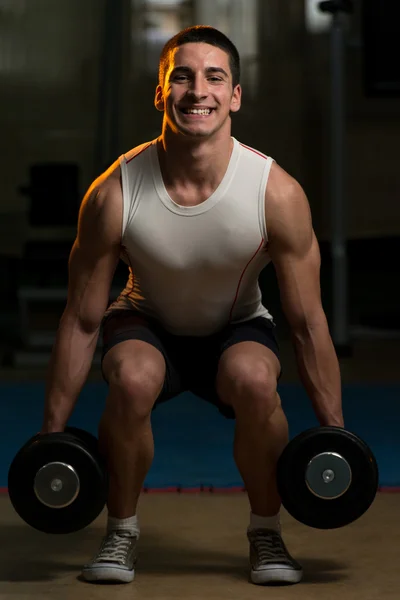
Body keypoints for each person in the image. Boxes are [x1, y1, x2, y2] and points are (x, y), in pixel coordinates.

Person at [41, 25, 344, 586]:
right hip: (145, 322)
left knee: (255, 380)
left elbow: (306, 322)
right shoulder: (114, 192)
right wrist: (51, 436)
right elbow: (82, 320)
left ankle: (265, 532)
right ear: (160, 91)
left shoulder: (275, 193)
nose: (196, 90)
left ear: (234, 96)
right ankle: (121, 532)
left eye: (214, 77)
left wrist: (337, 439)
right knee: (132, 379)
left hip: (237, 325)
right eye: (180, 76)